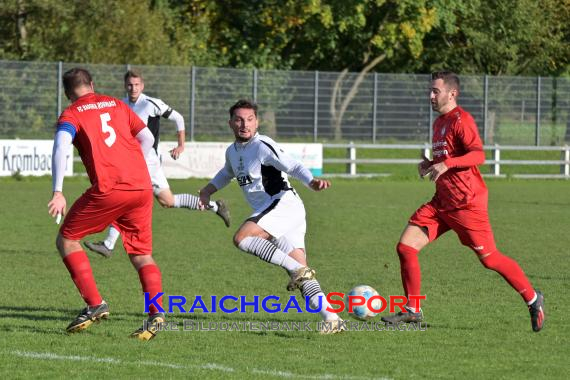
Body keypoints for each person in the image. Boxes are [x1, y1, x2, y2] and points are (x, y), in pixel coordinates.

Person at [381, 71, 545, 332]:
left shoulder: (462, 120)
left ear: (452, 93)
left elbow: (478, 155)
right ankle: (413, 311)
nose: (430, 96)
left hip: (466, 204)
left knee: (490, 260)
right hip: (441, 202)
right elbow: (446, 159)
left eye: (435, 91)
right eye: (430, 91)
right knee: (405, 248)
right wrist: (431, 164)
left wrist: (447, 163)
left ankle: (533, 299)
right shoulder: (439, 123)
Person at [198, 99, 345, 334]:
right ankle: (332, 317)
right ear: (230, 123)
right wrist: (207, 190)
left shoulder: (263, 145)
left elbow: (293, 166)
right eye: (239, 120)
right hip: (276, 213)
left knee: (242, 238)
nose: (244, 124)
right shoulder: (232, 152)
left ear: (257, 122)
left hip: (282, 204)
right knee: (300, 269)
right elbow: (227, 173)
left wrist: (311, 182)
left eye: (249, 119)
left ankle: (298, 272)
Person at [47, 68, 165, 340]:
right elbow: (147, 137)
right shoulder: (117, 104)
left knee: (67, 239)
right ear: (92, 84)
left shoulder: (72, 114)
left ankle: (94, 304)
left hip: (110, 189)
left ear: (67, 94)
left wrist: (58, 191)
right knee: (141, 253)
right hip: (141, 187)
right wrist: (134, 164)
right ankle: (156, 313)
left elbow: (61, 145)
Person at [85, 69, 230, 258]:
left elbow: (178, 118)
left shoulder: (151, 103)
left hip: (148, 161)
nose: (133, 88)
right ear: (125, 86)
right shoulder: (120, 104)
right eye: (130, 85)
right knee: (167, 201)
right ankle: (217, 207)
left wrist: (181, 145)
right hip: (133, 160)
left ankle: (108, 244)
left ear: (142, 86)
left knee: (125, 197)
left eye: (137, 85)